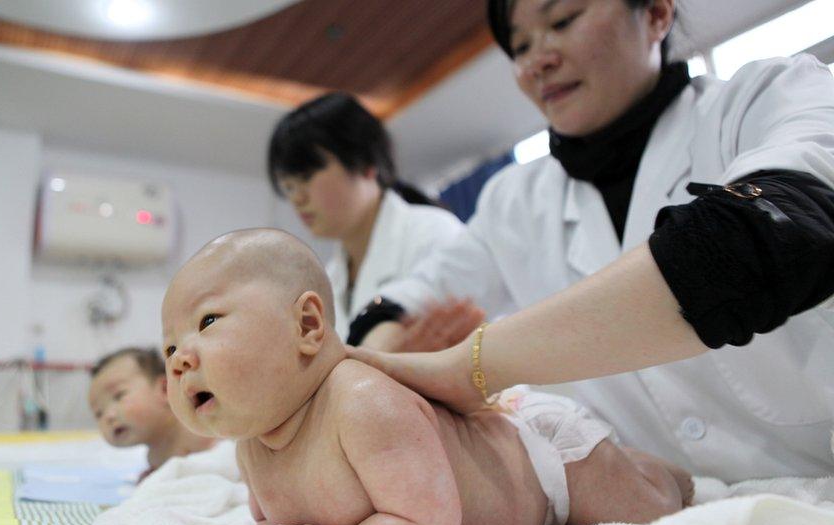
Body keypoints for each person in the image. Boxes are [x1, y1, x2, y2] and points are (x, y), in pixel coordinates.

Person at [348, 0, 834, 483]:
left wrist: (472, 365)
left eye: (562, 21)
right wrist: (384, 356)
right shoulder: (513, 201)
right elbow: (405, 297)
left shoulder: (768, 96)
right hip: (661, 518)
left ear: (656, 15)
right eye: (519, 47)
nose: (538, 60)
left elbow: (773, 230)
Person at [160, 229, 691, 525]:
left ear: (306, 326)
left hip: (546, 458)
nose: (180, 359)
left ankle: (661, 473)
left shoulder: (360, 403)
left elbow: (428, 520)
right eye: (167, 350)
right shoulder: (252, 447)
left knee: (650, 516)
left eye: (207, 322)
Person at [267, 92, 480, 349]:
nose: (298, 199)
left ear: (366, 162)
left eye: (307, 176)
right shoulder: (330, 278)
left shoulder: (434, 234)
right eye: (288, 187)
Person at [88, 347, 216, 481]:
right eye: (98, 413)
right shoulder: (153, 457)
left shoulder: (197, 428)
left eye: (119, 396)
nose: (108, 416)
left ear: (164, 390)